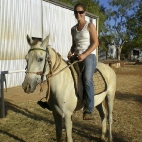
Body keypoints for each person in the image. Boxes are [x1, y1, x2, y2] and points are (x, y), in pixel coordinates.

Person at [67, 3, 99, 120]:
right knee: (64, 73)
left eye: (81, 12)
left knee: (86, 79)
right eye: (76, 12)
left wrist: (85, 55)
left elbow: (95, 43)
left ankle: (89, 109)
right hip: (76, 56)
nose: (78, 14)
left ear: (85, 13)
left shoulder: (90, 26)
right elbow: (74, 44)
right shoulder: (73, 29)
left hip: (89, 56)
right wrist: (71, 52)